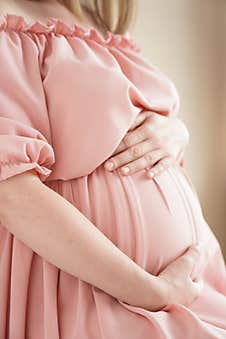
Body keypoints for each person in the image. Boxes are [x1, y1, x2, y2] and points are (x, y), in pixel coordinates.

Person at [0, 0, 225, 338]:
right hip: (90, 291)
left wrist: (177, 130)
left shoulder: (102, 26)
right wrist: (149, 291)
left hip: (193, 284)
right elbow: (10, 191)